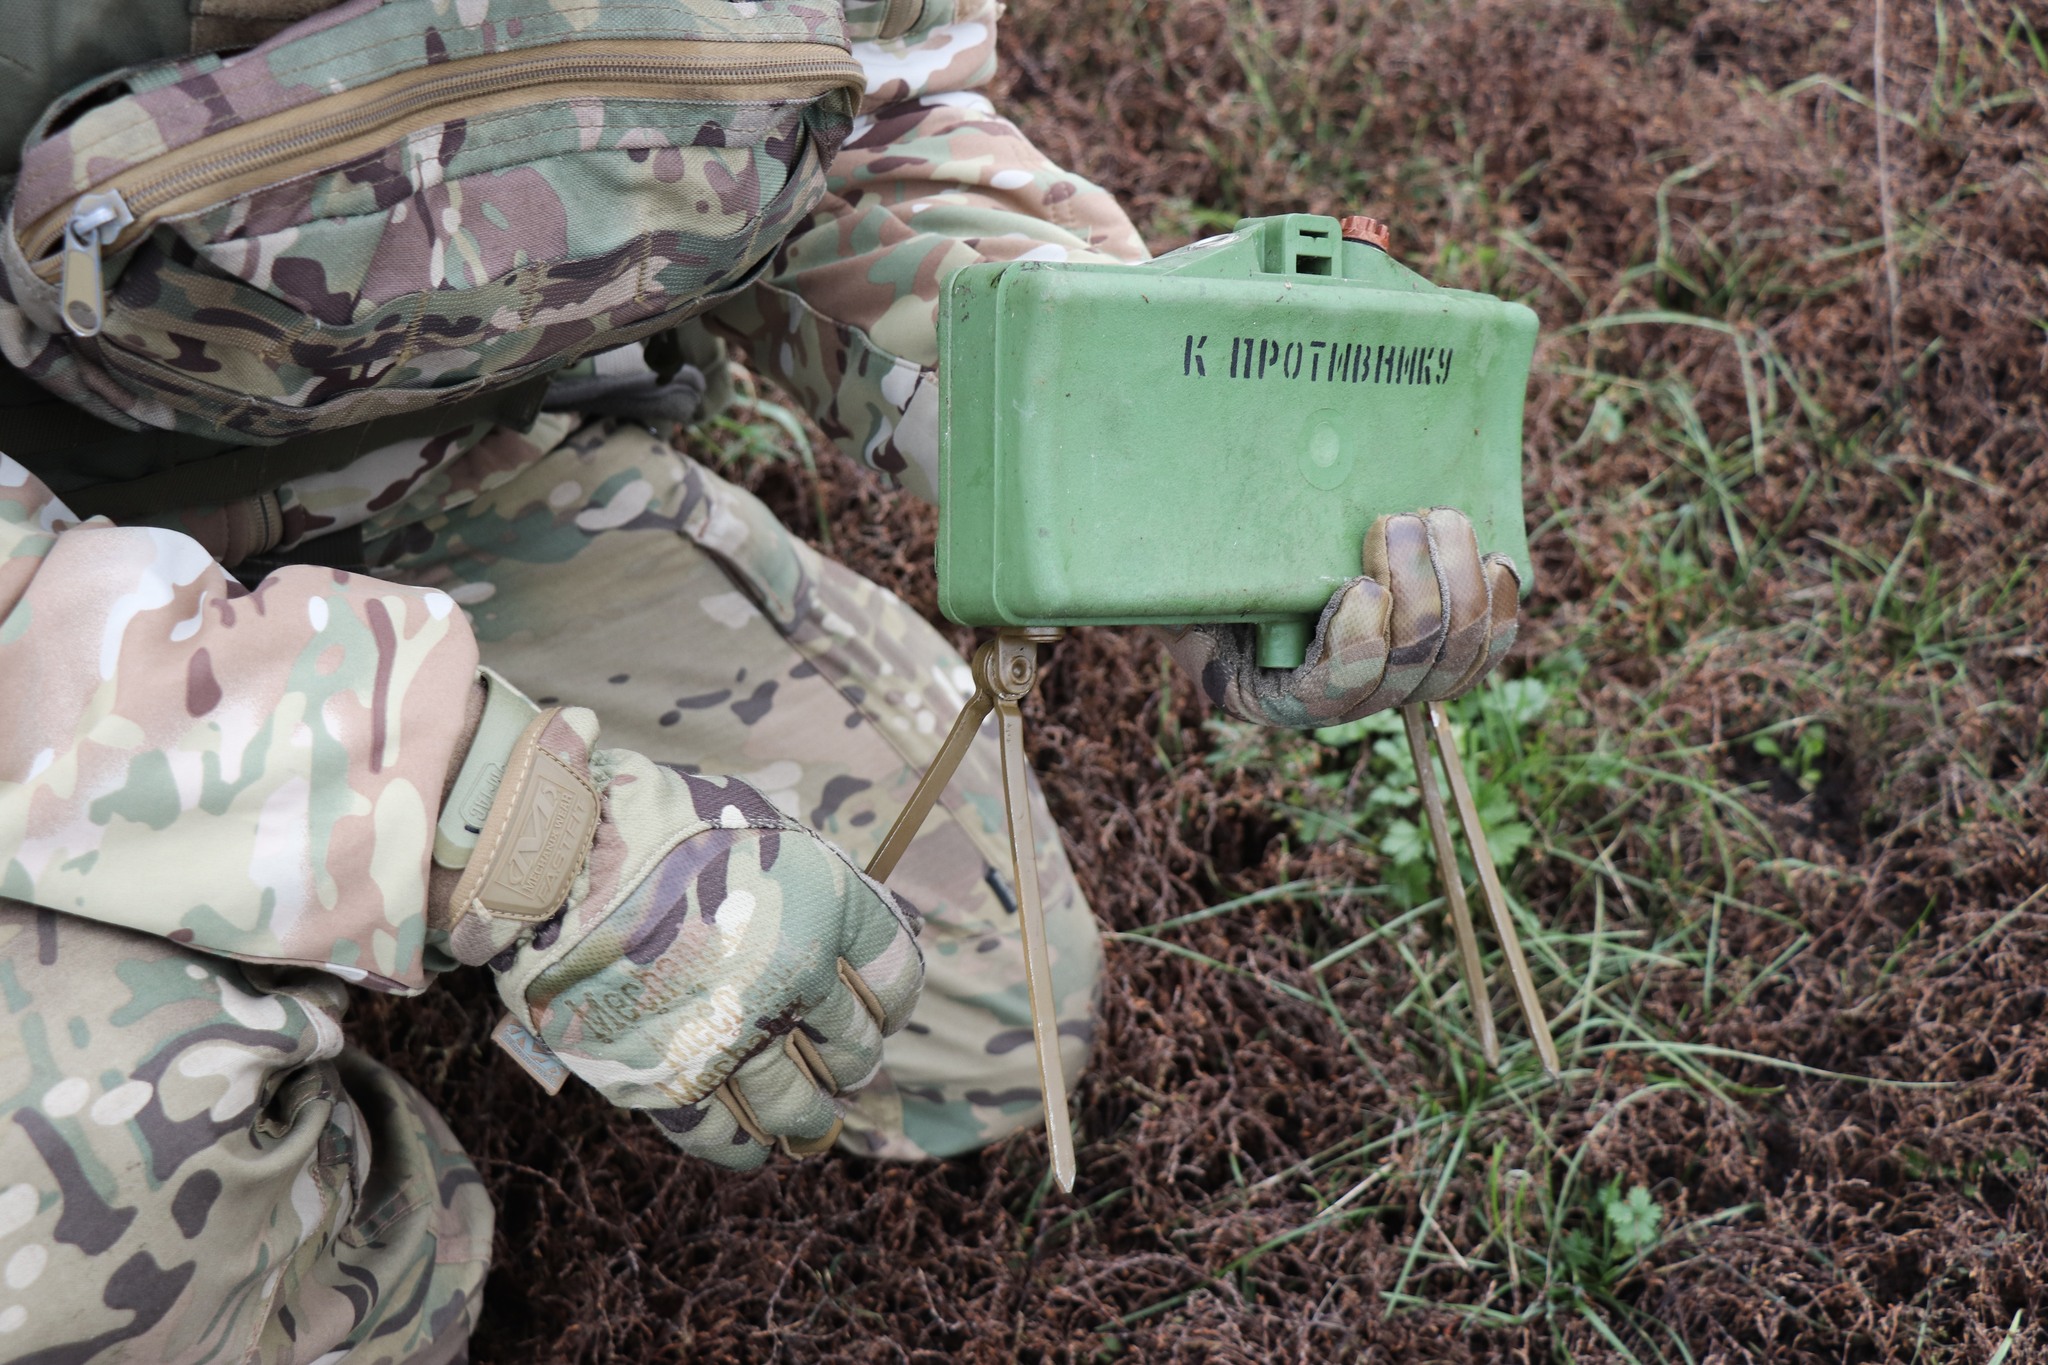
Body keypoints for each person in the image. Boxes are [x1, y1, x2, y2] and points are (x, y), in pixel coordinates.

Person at [0, 1, 1523, 1359]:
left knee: (961, 995)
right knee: (108, 1234)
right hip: (39, 570)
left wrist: (1175, 488)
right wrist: (503, 826)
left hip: (416, 480)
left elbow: (860, 115)